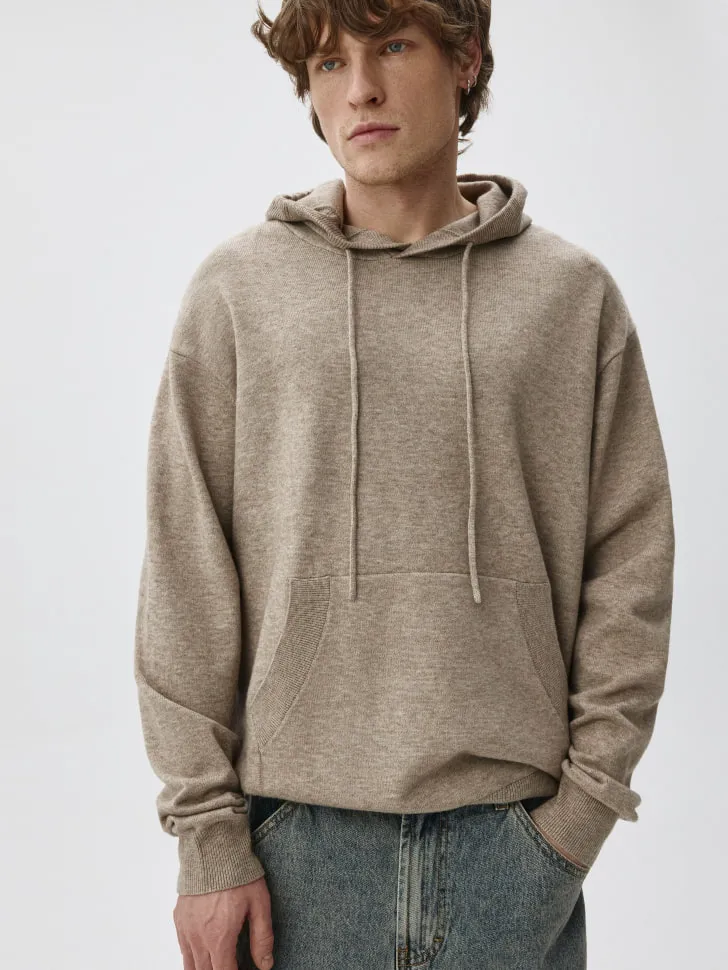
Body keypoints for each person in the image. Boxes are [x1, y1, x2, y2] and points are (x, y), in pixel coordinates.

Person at [133, 2, 675, 968]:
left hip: (514, 843)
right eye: (327, 64)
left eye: (391, 47)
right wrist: (207, 842)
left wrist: (577, 822)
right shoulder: (239, 293)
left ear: (466, 58)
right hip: (290, 848)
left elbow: (631, 561)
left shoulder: (570, 297)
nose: (360, 91)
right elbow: (185, 572)